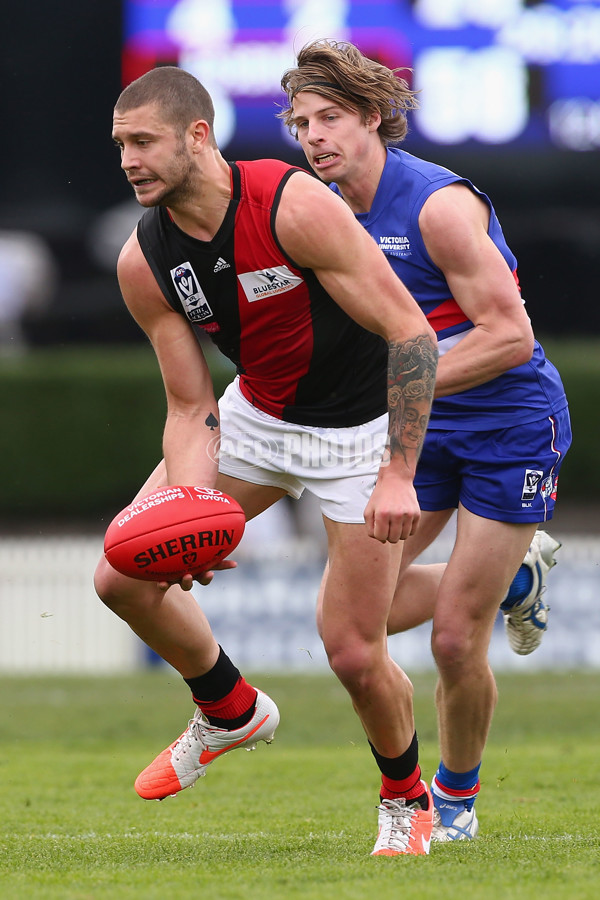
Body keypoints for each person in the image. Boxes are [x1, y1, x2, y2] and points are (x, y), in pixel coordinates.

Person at [95, 65, 440, 857]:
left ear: (197, 136)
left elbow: (410, 334)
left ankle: (404, 796)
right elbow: (189, 408)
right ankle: (229, 709)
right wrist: (192, 510)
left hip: (357, 436)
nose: (128, 160)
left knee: (353, 651)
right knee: (121, 574)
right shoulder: (143, 260)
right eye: (119, 146)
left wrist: (396, 471)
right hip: (259, 418)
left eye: (143, 142)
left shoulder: (293, 205)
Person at [279, 39, 571, 843]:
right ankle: (517, 581)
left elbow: (510, 336)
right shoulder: (320, 209)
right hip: (419, 425)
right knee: (350, 622)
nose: (314, 138)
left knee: (450, 638)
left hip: (508, 422)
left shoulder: (437, 205)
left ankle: (457, 803)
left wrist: (397, 387)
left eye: (331, 118)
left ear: (374, 117)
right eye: (302, 124)